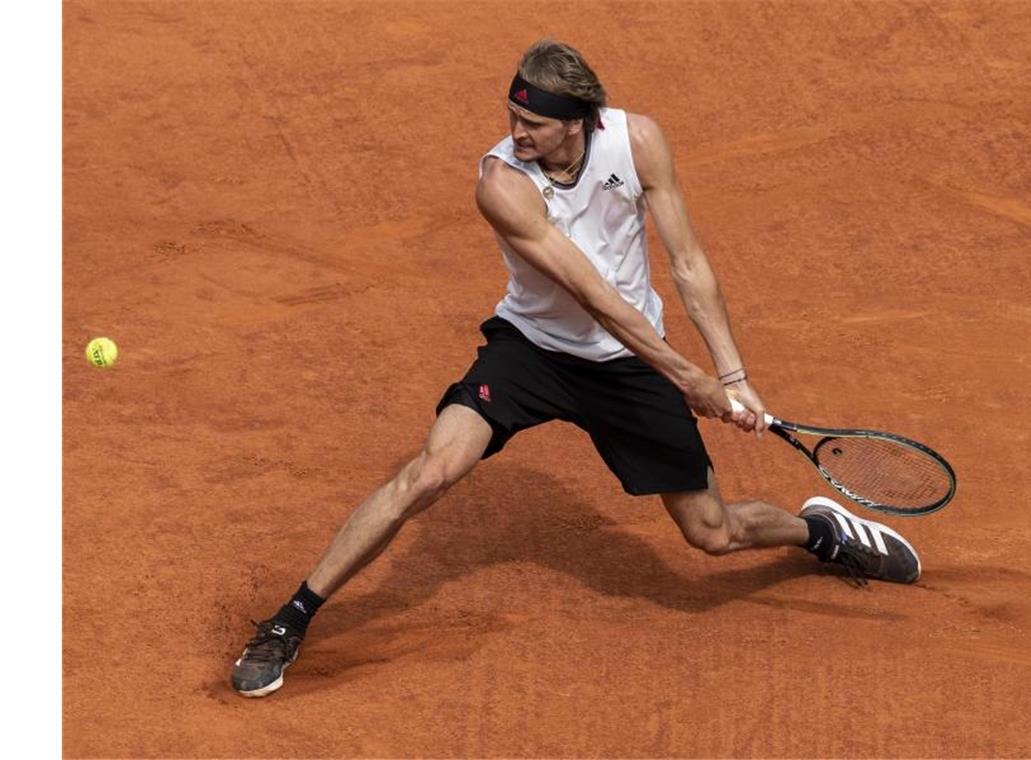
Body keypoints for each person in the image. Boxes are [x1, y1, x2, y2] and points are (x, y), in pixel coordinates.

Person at [230, 39, 921, 698]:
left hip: (629, 366)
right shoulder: (501, 183)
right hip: (533, 349)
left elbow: (687, 263)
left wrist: (732, 374)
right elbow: (593, 296)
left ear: (581, 122)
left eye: (533, 122)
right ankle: (291, 617)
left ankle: (820, 532)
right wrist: (690, 379)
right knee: (430, 472)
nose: (516, 132)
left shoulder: (638, 141)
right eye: (513, 116)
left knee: (713, 533)